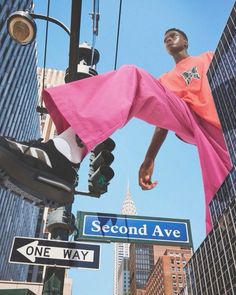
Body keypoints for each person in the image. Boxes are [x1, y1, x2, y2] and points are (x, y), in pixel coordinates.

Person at [0, 28, 232, 233]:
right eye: (165, 38)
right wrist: (150, 157)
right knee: (134, 78)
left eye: (174, 35)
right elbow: (163, 119)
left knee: (224, 212)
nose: (169, 39)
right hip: (196, 125)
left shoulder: (208, 58)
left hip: (224, 117)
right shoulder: (165, 80)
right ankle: (64, 153)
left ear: (186, 40)